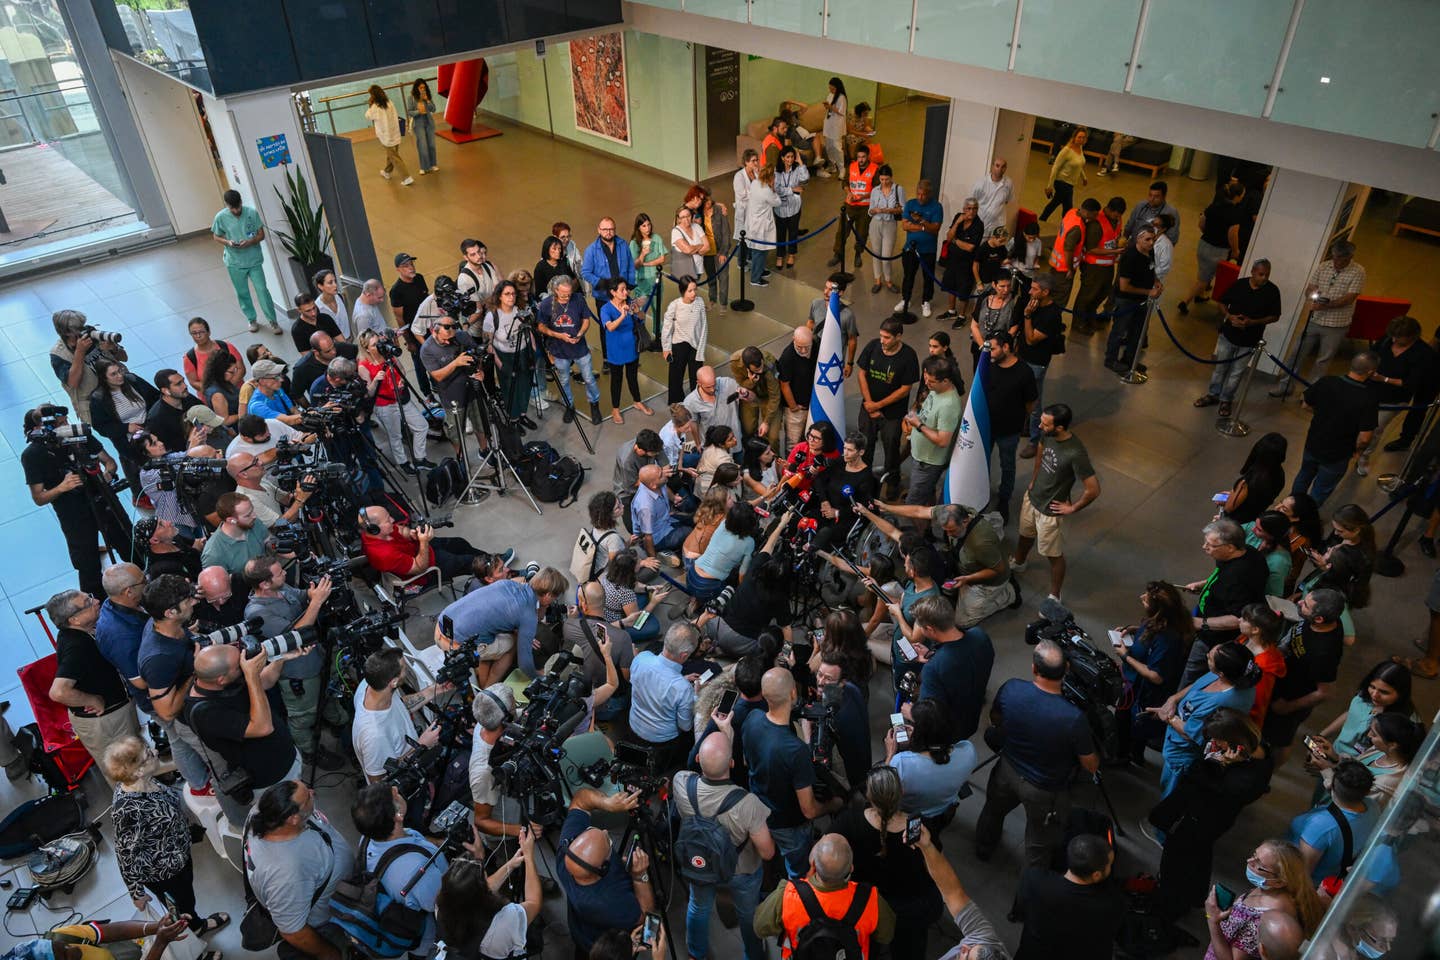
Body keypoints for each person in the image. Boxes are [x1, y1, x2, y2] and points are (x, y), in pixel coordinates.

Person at [975, 639, 1100, 865]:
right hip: (1044, 789)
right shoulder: (1073, 718)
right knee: (1039, 842)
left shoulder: (1011, 688)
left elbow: (996, 720)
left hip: (1007, 770)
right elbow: (1090, 765)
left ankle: (983, 850)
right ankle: (1031, 887)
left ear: (1034, 668)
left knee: (993, 810)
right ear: (1067, 670)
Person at [1147, 711, 1277, 922]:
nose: (1213, 745)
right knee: (1199, 856)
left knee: (1178, 859)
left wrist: (1217, 765)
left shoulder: (1244, 779)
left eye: (1217, 741)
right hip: (1212, 820)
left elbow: (1201, 784)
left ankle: (1171, 904)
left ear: (1235, 742)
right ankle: (1194, 896)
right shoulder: (1260, 752)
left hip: (1202, 820)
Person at [103, 737, 229, 941]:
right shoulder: (128, 810)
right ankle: (194, 934)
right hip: (164, 872)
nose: (153, 751)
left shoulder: (146, 782)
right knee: (182, 907)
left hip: (178, 855)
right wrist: (136, 893)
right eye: (148, 754)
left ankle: (193, 924)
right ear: (138, 771)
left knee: (187, 898)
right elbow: (125, 854)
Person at [673, 725, 776, 960]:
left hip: (700, 862)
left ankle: (695, 952)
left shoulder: (681, 782)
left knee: (698, 906)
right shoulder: (747, 803)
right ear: (732, 764)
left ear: (698, 758)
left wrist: (721, 736)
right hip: (740, 870)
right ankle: (753, 954)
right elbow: (768, 852)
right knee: (748, 915)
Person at [185, 640, 302, 826]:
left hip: (285, 757)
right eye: (238, 665)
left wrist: (280, 657)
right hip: (270, 779)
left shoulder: (223, 680)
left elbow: (265, 682)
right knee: (288, 820)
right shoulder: (205, 713)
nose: (243, 663)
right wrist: (251, 675)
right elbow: (263, 727)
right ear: (221, 679)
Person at [831, 766, 941, 960]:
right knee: (908, 949)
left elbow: (825, 849)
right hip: (909, 905)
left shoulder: (849, 822)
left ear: (869, 796)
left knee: (868, 944)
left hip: (866, 903)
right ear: (902, 792)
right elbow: (934, 862)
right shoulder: (921, 828)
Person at [745, 668, 843, 878]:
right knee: (799, 869)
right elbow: (808, 810)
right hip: (788, 824)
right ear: (792, 694)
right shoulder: (795, 750)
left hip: (759, 810)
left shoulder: (751, 719)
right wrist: (834, 804)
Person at [22, 406, 123, 599]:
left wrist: (106, 475)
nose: (66, 426)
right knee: (88, 564)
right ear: (42, 428)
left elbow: (109, 462)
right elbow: (38, 498)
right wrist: (62, 487)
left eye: (66, 421)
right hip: (73, 514)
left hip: (103, 500)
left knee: (127, 542)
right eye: (60, 424)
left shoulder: (80, 436)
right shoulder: (33, 455)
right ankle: (97, 606)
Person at [245, 780, 353, 960]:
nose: (312, 792)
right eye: (307, 796)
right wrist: (331, 955)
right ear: (293, 819)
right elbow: (293, 931)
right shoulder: (287, 874)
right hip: (328, 923)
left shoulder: (262, 812)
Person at [45, 589, 140, 781]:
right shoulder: (77, 647)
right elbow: (58, 691)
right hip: (107, 722)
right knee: (126, 773)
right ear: (74, 620)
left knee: (135, 762)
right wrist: (92, 699)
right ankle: (141, 808)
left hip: (114, 714)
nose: (96, 600)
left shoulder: (77, 632)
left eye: (89, 595)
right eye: (88, 602)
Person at [753, 832, 894, 960]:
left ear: (813, 864)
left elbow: (760, 927)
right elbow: (886, 935)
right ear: (851, 868)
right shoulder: (870, 899)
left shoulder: (788, 895)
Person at [349, 783, 452, 954]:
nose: (396, 789)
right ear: (397, 816)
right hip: (422, 940)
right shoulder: (418, 871)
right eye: (393, 795)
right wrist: (477, 860)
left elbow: (412, 837)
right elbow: (444, 905)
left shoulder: (367, 838)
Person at [1011, 404, 1100, 600]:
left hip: (1050, 510)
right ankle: (1018, 561)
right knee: (1025, 534)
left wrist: (1073, 507)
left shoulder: (1075, 452)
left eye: (1045, 424)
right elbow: (1040, 453)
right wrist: (1034, 479)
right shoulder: (1047, 436)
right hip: (1033, 498)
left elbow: (1093, 489)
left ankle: (1054, 595)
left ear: (1059, 428)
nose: (1040, 427)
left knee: (1053, 554)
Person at [1151, 642, 1259, 799]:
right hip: (1176, 733)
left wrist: (1168, 717)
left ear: (1221, 673)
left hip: (1184, 752)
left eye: (1211, 657)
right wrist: (1173, 699)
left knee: (1172, 791)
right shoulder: (1234, 675)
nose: (1207, 654)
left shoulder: (1223, 700)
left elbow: (1191, 733)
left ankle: (1159, 822)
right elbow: (1196, 686)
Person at [556, 786, 655, 957]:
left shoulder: (566, 855)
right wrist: (640, 877)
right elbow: (643, 915)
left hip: (581, 934)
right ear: (603, 868)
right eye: (608, 841)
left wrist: (607, 803)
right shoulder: (611, 904)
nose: (605, 831)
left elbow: (579, 802)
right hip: (605, 951)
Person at [1175, 518, 1271, 683]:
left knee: (1192, 673)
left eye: (1210, 545)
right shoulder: (1246, 551)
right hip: (1207, 618)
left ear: (1230, 547)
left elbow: (1238, 618)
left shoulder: (1240, 579)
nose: (1204, 547)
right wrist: (1203, 584)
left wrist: (1201, 623)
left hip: (1214, 637)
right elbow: (1220, 574)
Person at [435, 566, 569, 681]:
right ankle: (489, 686)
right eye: (554, 597)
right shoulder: (528, 616)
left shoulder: (507, 583)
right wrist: (538, 676)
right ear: (548, 595)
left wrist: (526, 631)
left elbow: (502, 612)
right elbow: (524, 664)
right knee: (511, 643)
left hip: (442, 624)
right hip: (455, 645)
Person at [1265, 588, 1349, 767]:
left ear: (1319, 619)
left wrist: (1287, 707)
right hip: (1284, 681)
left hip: (1293, 697)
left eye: (1306, 605)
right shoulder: (1322, 621)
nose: (1299, 604)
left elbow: (1325, 692)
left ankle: (1268, 772)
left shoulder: (1323, 653)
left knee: (1281, 740)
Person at [1272, 241, 1367, 393]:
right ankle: (1285, 386)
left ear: (1350, 257)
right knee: (1297, 353)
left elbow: (1349, 298)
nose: (1336, 262)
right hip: (1314, 320)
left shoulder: (1358, 271)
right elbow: (1310, 288)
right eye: (1335, 257)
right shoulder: (1324, 266)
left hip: (1336, 325)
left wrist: (1326, 305)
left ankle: (1311, 393)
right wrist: (1311, 295)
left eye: (1340, 259)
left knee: (1322, 361)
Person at [1113, 581, 1192, 764]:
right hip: (1136, 687)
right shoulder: (1165, 621)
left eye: (1146, 599)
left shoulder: (1167, 639)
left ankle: (1125, 756)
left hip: (1142, 693)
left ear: (1159, 609)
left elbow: (1156, 676)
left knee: (1128, 723)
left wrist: (1126, 656)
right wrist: (1135, 629)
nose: (1142, 598)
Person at [432, 828, 541, 960]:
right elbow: (534, 902)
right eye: (485, 879)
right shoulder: (504, 921)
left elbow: (474, 890)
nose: (488, 881)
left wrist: (509, 866)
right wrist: (529, 856)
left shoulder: (442, 905)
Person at [1013, 834, 1125, 960]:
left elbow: (1022, 906)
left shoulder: (1033, 879)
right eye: (1110, 865)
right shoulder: (1112, 905)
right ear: (1096, 875)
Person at [1195, 260, 1283, 416]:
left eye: (1267, 275)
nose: (1264, 278)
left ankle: (1226, 400)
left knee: (1236, 373)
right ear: (1253, 272)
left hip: (1249, 340)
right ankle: (1213, 395)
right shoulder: (1239, 285)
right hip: (1228, 335)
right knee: (1220, 369)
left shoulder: (1272, 291)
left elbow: (1275, 316)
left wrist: (1252, 322)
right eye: (1261, 274)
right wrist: (1230, 317)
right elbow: (1222, 303)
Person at [350, 648, 440, 787]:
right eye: (404, 668)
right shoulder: (374, 735)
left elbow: (400, 706)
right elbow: (380, 781)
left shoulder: (371, 686)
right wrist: (421, 746)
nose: (407, 671)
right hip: (404, 789)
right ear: (393, 682)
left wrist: (436, 689)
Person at [887, 697, 977, 834]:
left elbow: (884, 789)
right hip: (943, 812)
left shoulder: (901, 764)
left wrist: (890, 753)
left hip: (909, 818)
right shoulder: (968, 751)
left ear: (920, 735)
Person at [1357, 315, 1431, 476]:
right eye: (1393, 336)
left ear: (1413, 336)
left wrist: (1383, 379)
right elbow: (1371, 356)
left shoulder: (1423, 353)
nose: (1395, 340)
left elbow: (1412, 383)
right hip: (1369, 390)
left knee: (1375, 429)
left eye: (1400, 338)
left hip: (1394, 399)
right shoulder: (1386, 340)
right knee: (1356, 422)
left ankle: (1364, 456)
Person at [1288, 758, 1379, 884]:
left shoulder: (1321, 826)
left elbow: (1302, 873)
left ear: (1332, 786)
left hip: (1309, 879)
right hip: (1332, 872)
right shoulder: (1372, 806)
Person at [857, 318, 919, 499]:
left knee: (891, 448)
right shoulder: (873, 346)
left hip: (892, 414)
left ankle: (893, 481)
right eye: (881, 336)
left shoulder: (908, 356)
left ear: (898, 337)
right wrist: (869, 404)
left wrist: (879, 405)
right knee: (864, 445)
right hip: (868, 408)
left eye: (887, 337)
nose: (882, 340)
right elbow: (862, 374)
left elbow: (905, 389)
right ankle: (864, 479)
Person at [628, 622, 702, 770]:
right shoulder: (683, 689)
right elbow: (685, 726)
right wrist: (695, 696)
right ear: (684, 655)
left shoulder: (641, 658)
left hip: (633, 726)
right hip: (661, 742)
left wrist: (681, 680)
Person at [536, 275, 603, 425]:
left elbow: (586, 319)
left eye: (569, 293)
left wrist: (580, 334)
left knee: (589, 379)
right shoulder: (547, 304)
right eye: (563, 294)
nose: (567, 296)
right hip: (559, 351)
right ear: (555, 290)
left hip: (580, 348)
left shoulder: (578, 299)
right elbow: (541, 326)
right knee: (564, 379)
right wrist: (558, 335)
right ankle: (569, 405)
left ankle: (594, 404)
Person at [212, 189, 281, 334]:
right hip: (234, 262)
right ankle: (251, 319)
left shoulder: (251, 213)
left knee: (262, 290)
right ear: (227, 205)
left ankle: (273, 321)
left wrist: (250, 242)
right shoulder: (220, 217)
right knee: (242, 292)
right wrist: (228, 242)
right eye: (233, 208)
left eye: (238, 207)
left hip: (253, 259)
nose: (236, 210)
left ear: (241, 202)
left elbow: (261, 235)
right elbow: (216, 237)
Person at [1177, 181, 1247, 314]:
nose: (1243, 197)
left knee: (1203, 272)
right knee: (1204, 280)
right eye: (1242, 194)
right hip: (1218, 251)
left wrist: (1209, 233)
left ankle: (1200, 296)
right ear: (1237, 196)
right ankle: (1185, 302)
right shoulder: (1235, 214)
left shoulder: (1214, 205)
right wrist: (1236, 250)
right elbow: (1233, 234)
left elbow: (1201, 223)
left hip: (1203, 244)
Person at [903, 354, 961, 507]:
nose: (927, 383)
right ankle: (927, 529)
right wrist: (915, 418)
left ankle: (914, 530)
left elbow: (943, 440)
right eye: (925, 377)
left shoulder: (949, 405)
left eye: (932, 381)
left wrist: (918, 425)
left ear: (946, 381)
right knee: (927, 496)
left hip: (927, 464)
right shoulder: (936, 389)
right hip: (921, 457)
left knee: (913, 505)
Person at [1102, 226, 1162, 372]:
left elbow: (1151, 268)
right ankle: (1111, 360)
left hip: (1142, 300)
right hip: (1127, 301)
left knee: (1137, 331)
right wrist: (1149, 291)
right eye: (1147, 239)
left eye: (1153, 239)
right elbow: (1124, 287)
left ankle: (1129, 359)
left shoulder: (1150, 252)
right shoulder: (1130, 257)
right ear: (1138, 239)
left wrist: (1157, 282)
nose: (1151, 243)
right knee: (1119, 331)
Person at [1070, 196, 1127, 337]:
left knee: (1103, 292)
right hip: (1093, 266)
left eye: (1120, 215)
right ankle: (1078, 323)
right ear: (1108, 209)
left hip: (1108, 265)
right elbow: (1091, 249)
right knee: (1088, 294)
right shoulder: (1096, 224)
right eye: (1116, 214)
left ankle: (1090, 317)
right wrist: (1115, 251)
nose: (1118, 217)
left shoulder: (1117, 219)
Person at [581, 217, 637, 354]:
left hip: (623, 294)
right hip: (604, 297)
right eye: (605, 229)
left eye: (611, 229)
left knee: (627, 323)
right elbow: (586, 272)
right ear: (599, 230)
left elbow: (630, 266)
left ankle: (628, 351)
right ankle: (608, 356)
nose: (608, 232)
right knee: (606, 327)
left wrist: (629, 286)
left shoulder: (623, 245)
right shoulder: (591, 250)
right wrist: (601, 283)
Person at [601, 279, 654, 423]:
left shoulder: (630, 302)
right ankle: (615, 409)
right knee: (616, 380)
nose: (626, 292)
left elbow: (642, 318)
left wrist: (637, 312)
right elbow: (610, 327)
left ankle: (637, 401)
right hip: (615, 350)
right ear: (613, 292)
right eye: (622, 290)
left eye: (626, 289)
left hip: (632, 347)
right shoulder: (606, 309)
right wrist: (623, 315)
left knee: (632, 377)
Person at [895, 178, 943, 319]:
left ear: (929, 194)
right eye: (918, 194)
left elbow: (935, 229)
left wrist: (920, 222)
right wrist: (924, 227)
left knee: (928, 277)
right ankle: (906, 299)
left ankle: (926, 301)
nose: (920, 197)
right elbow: (905, 226)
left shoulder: (937, 207)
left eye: (924, 194)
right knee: (908, 275)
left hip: (928, 250)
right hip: (910, 248)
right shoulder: (910, 204)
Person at [1218, 432, 1289, 525]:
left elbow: (1228, 509)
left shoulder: (1248, 481)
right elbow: (1252, 500)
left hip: (1233, 523)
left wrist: (1228, 498)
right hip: (1251, 521)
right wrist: (1232, 494)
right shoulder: (1280, 476)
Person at [829, 144, 878, 271]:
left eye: (863, 157)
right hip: (849, 206)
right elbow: (845, 182)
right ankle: (837, 254)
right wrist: (849, 193)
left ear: (868, 157)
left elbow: (877, 189)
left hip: (865, 207)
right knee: (842, 231)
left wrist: (863, 197)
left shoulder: (874, 169)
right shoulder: (851, 166)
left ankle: (858, 254)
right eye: (858, 157)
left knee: (862, 233)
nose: (860, 160)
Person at [661, 276, 708, 404]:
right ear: (682, 291)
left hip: (696, 346)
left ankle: (697, 402)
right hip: (679, 345)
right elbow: (666, 328)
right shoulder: (674, 306)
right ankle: (676, 404)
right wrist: (666, 348)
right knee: (676, 378)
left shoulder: (700, 302)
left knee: (697, 378)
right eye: (690, 291)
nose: (694, 293)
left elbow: (704, 326)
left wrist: (701, 349)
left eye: (695, 290)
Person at [939, 197, 985, 323]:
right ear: (964, 209)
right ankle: (951, 311)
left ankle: (962, 316)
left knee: (964, 290)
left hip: (966, 264)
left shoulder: (978, 225)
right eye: (969, 209)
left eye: (975, 209)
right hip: (952, 260)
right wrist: (957, 223)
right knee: (950, 286)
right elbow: (948, 237)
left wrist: (955, 241)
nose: (972, 212)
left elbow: (969, 247)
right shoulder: (958, 217)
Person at [776, 326, 817, 450]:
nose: (804, 350)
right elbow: (784, 384)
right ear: (793, 339)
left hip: (813, 404)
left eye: (807, 346)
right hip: (796, 408)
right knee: (793, 444)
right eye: (800, 347)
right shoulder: (787, 357)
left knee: (812, 440)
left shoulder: (816, 345)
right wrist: (793, 406)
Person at [866, 164, 905, 294]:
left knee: (886, 255)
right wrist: (874, 210)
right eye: (882, 179)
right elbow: (869, 212)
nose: (884, 182)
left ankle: (888, 280)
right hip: (875, 224)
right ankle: (878, 280)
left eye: (886, 179)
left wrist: (888, 210)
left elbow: (903, 209)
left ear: (891, 177)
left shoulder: (899, 189)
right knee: (876, 254)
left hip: (890, 224)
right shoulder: (875, 191)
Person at [365, 85, 413, 186]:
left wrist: (370, 105)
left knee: (394, 157)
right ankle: (387, 172)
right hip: (394, 133)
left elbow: (368, 116)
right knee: (391, 154)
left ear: (373, 95)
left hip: (385, 135)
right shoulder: (389, 102)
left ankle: (406, 177)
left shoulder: (375, 107)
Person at [1040, 126, 1089, 221]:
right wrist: (1049, 186)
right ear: (1074, 137)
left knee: (1055, 202)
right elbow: (1055, 168)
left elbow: (1079, 164)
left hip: (1070, 183)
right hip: (1062, 182)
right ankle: (1066, 225)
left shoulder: (1080, 148)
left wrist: (1084, 177)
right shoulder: (1066, 150)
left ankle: (1042, 219)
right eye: (1079, 137)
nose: (1081, 139)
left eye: (1083, 137)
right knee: (1067, 207)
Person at [774, 145, 809, 270]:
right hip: (780, 208)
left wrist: (800, 161)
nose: (790, 159)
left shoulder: (797, 169)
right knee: (781, 233)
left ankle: (791, 255)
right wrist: (792, 189)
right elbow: (777, 189)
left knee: (793, 232)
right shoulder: (776, 171)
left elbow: (805, 178)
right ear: (782, 158)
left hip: (795, 207)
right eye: (787, 157)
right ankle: (779, 256)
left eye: (792, 157)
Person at [534, 235, 577, 299]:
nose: (558, 251)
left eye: (559, 249)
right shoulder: (540, 267)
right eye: (554, 249)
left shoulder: (564, 263)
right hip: (549, 300)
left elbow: (574, 279)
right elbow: (540, 291)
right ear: (547, 249)